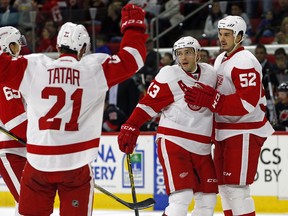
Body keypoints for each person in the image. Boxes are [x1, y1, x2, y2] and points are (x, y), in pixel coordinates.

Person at [0, 3, 147, 215]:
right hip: (76, 164)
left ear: (58, 46)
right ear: (84, 49)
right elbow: (133, 58)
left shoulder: (33, 66)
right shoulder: (93, 70)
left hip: (38, 163)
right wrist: (133, 28)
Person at [118, 36, 218, 216]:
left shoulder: (211, 74)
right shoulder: (169, 74)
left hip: (202, 147)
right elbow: (148, 104)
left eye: (188, 52)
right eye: (179, 54)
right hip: (174, 141)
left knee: (208, 202)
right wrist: (131, 125)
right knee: (181, 200)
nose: (183, 57)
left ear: (198, 55)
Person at [185, 16, 275, 216]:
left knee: (237, 189)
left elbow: (247, 103)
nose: (222, 38)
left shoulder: (245, 61)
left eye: (227, 35)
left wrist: (211, 100)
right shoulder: (220, 59)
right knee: (225, 188)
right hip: (225, 130)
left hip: (245, 130)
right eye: (220, 34)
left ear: (240, 36)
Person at [0, 26, 27, 215]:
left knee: (30, 204)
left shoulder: (16, 73)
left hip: (22, 148)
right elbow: (15, 120)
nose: (19, 51)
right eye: (15, 46)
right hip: (10, 150)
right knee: (28, 204)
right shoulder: (5, 78)